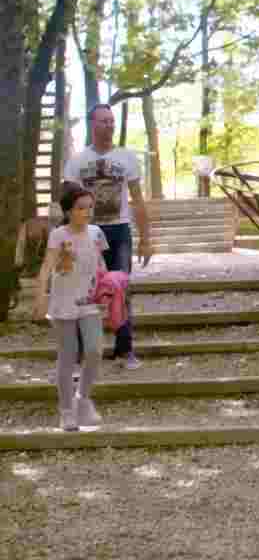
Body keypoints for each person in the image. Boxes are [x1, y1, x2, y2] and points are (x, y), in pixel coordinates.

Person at [63, 103, 153, 371]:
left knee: (121, 288)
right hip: (87, 232)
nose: (110, 125)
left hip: (119, 230)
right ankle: (80, 355)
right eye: (104, 121)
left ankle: (124, 350)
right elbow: (66, 203)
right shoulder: (77, 161)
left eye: (112, 121)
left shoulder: (127, 158)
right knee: (82, 290)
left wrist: (146, 239)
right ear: (92, 124)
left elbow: (137, 200)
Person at [32, 184, 109, 431]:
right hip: (63, 301)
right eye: (80, 208)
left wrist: (109, 290)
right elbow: (47, 266)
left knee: (95, 351)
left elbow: (101, 263)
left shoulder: (97, 232)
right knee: (67, 356)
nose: (87, 212)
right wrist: (40, 294)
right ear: (68, 211)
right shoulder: (58, 234)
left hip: (90, 300)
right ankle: (66, 411)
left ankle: (83, 400)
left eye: (90, 207)